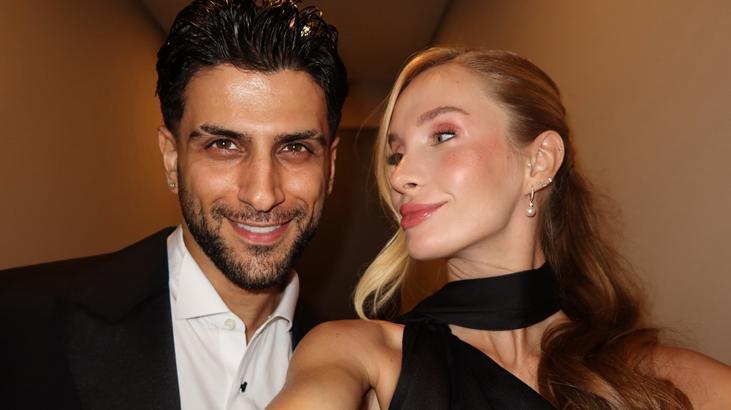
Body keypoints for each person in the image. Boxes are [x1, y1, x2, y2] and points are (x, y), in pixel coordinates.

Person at [269, 47, 731, 409]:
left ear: (539, 161)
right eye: (396, 153)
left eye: (443, 135)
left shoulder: (657, 376)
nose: (399, 175)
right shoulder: (362, 355)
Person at [0, 0, 346, 409]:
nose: (262, 195)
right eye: (224, 145)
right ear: (171, 158)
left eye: (295, 148)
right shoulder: (18, 323)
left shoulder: (356, 373)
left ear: (330, 167)